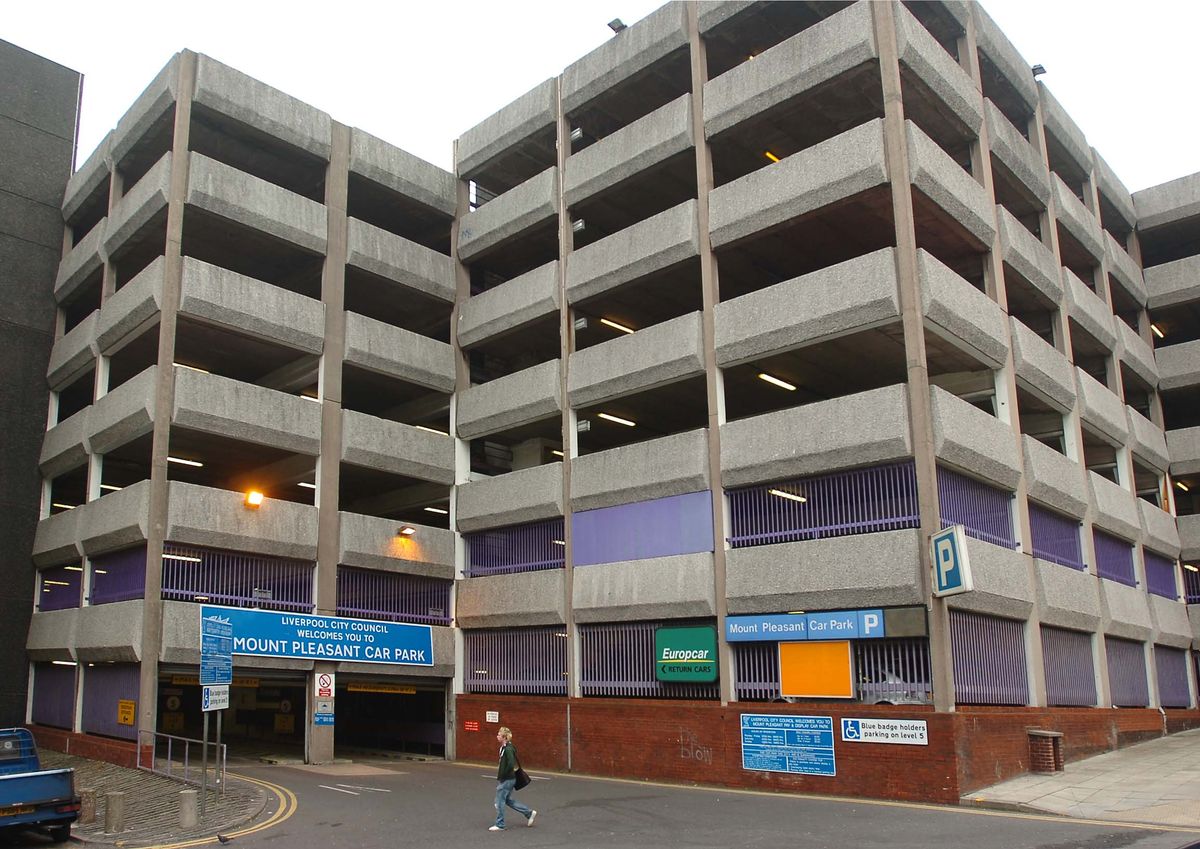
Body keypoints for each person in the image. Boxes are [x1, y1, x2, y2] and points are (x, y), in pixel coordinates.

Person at [490, 726, 537, 831]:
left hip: (507, 779)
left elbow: (511, 763)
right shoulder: (505, 747)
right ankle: (528, 813)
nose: (497, 736)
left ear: (504, 737)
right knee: (507, 800)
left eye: (499, 734)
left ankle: (500, 824)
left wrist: (504, 774)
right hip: (508, 778)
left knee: (499, 801)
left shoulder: (508, 749)